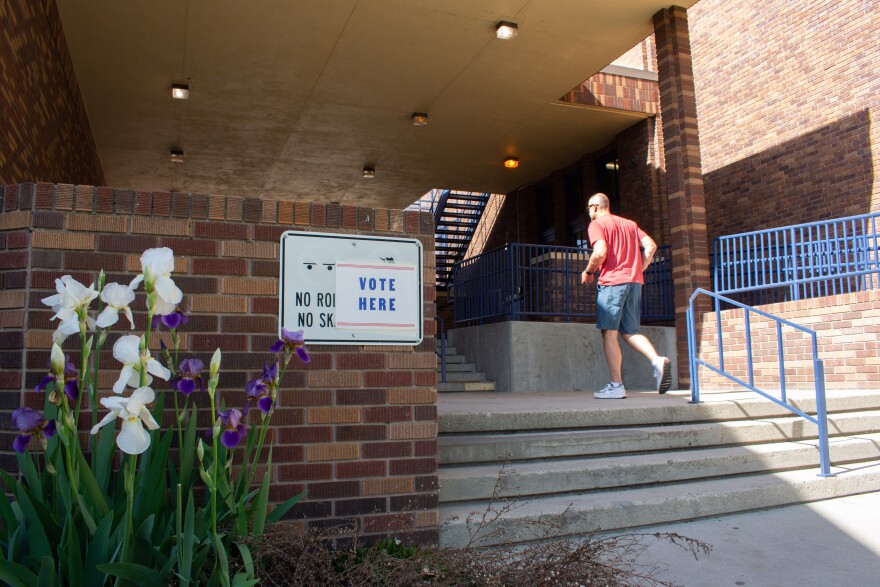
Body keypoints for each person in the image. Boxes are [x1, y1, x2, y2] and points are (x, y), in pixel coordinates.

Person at [580, 193, 671, 399]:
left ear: (595, 207)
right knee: (630, 331)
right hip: (634, 282)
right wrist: (639, 269)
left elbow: (600, 252)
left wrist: (589, 272)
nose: (589, 212)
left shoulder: (597, 225)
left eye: (588, 208)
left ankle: (616, 385)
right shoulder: (630, 224)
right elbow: (651, 246)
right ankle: (657, 360)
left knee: (609, 333)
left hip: (612, 283)